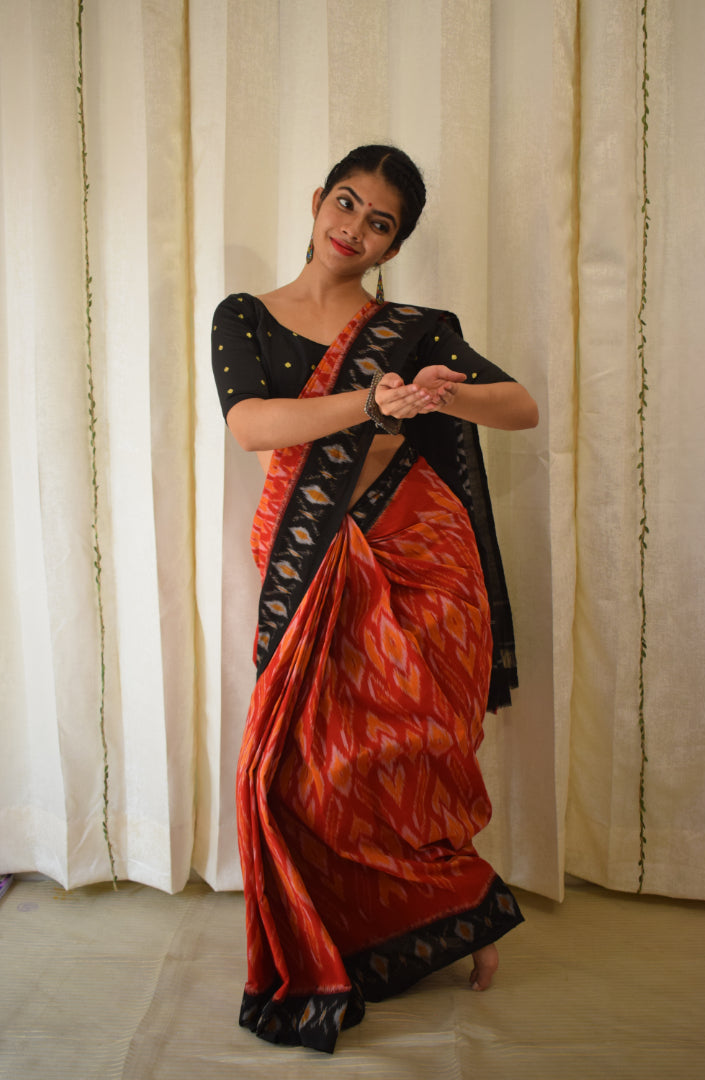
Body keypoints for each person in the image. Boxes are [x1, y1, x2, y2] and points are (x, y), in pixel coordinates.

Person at [212, 145, 538, 1054]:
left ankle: (463, 908)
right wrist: (374, 405)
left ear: (394, 242)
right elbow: (250, 425)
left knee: (413, 749)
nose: (352, 228)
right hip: (312, 550)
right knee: (299, 763)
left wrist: (447, 390)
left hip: (422, 553)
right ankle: (337, 933)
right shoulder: (246, 315)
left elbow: (521, 407)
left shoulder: (414, 328)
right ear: (318, 199)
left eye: (378, 221)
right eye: (346, 203)